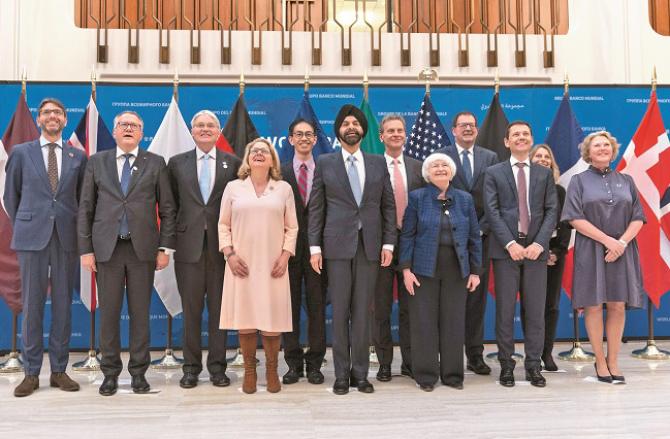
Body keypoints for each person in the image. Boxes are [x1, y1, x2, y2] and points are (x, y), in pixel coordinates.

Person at [78, 110, 176, 396]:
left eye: (135, 125)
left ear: (142, 133)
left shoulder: (155, 163)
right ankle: (110, 373)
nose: (129, 129)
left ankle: (138, 374)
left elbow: (168, 210)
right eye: (123, 124)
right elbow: (86, 208)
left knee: (140, 314)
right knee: (109, 314)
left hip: (142, 250)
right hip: (106, 250)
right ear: (116, 131)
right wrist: (86, 250)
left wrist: (164, 248)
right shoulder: (97, 162)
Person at [308, 104, 396, 395]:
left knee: (362, 312)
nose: (351, 127)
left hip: (369, 245)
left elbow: (387, 205)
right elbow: (317, 208)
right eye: (345, 123)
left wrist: (388, 242)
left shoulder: (377, 163)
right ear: (338, 130)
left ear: (363, 130)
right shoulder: (325, 162)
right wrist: (314, 247)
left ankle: (361, 374)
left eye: (355, 123)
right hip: (335, 246)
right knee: (342, 309)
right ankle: (341, 374)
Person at [3, 97, 87, 397]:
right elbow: (10, 197)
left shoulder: (78, 156)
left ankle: (59, 370)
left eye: (58, 113)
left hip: (65, 238)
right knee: (33, 306)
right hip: (31, 238)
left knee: (63, 306)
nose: (52, 117)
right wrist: (30, 220)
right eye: (47, 113)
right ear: (39, 120)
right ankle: (31, 372)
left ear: (65, 120)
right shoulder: (21, 153)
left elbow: (80, 199)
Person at [561, 131, 645, 384]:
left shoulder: (627, 180)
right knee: (594, 305)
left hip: (622, 249)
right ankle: (599, 361)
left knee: (618, 305)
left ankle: (614, 360)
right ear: (588, 151)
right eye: (597, 145)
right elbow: (574, 217)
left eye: (606, 145)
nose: (602, 148)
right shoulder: (578, 180)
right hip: (592, 249)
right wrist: (607, 240)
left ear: (612, 150)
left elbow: (638, 216)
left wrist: (620, 243)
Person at [167, 110, 241, 389]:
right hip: (188, 249)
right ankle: (190, 368)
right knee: (192, 311)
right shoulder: (176, 164)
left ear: (219, 130)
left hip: (223, 250)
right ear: (192, 130)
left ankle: (218, 368)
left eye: (211, 125)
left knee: (220, 312)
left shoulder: (232, 163)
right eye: (200, 125)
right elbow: (171, 206)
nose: (205, 129)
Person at [218, 138, 298, 394]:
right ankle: (250, 372)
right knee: (247, 317)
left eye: (265, 151)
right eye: (254, 151)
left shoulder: (283, 188)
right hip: (241, 264)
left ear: (272, 159)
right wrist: (229, 254)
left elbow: (292, 227)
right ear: (247, 158)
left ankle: (272, 370)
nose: (259, 154)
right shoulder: (233, 187)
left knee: (272, 319)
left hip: (274, 264)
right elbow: (223, 224)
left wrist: (286, 256)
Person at [483, 121, 558, 388]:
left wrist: (539, 243)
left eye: (526, 133)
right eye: (516, 134)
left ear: (531, 139)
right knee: (504, 311)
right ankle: (506, 365)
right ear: (507, 142)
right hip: (506, 252)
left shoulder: (543, 173)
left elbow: (551, 210)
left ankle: (534, 365)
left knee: (535, 312)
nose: (521, 137)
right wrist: (510, 244)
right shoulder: (494, 172)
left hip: (536, 251)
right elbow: (491, 212)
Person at [399, 153, 482, 391]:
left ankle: (453, 375)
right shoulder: (417, 198)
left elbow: (475, 237)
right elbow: (407, 235)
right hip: (423, 270)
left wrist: (475, 271)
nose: (440, 168)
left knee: (453, 322)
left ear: (452, 171)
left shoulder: (464, 199)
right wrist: (405, 270)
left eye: (444, 164)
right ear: (427, 173)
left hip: (457, 270)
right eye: (434, 165)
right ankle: (425, 375)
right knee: (424, 323)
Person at [434, 111, 498, 376]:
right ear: (454, 129)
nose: (469, 129)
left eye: (472, 125)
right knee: (446, 301)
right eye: (464, 125)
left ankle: (475, 355)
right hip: (447, 241)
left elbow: (495, 200)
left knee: (476, 301)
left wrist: (479, 229)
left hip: (480, 239)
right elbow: (435, 196)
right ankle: (444, 356)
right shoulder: (442, 156)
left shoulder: (490, 157)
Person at [372, 114, 423, 382]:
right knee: (380, 307)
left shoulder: (418, 167)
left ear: (405, 135)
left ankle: (410, 362)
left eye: (399, 130)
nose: (395, 134)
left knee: (410, 307)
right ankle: (384, 362)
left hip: (411, 243)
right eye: (389, 130)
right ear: (381, 136)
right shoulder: (372, 166)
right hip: (380, 244)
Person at [280, 119, 328, 385]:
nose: (304, 138)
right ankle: (293, 363)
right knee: (289, 308)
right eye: (298, 134)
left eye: (309, 134)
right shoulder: (281, 172)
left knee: (317, 307)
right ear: (290, 139)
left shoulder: (326, 169)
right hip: (288, 251)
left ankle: (315, 364)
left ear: (315, 139)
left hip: (319, 250)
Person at [523, 144, 571, 371]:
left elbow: (565, 223)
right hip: (530, 252)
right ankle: (531, 353)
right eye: (538, 156)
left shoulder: (560, 191)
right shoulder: (522, 188)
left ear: (552, 163)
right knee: (531, 305)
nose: (543, 160)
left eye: (547, 157)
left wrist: (557, 252)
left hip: (553, 254)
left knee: (550, 305)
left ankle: (546, 353)